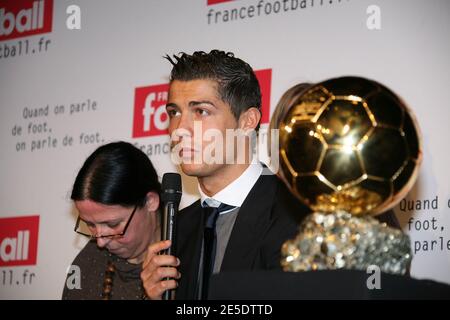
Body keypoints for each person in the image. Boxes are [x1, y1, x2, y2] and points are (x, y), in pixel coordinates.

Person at [140, 50, 310, 300]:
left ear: (247, 121)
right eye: (174, 112)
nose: (179, 129)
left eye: (201, 112)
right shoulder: (177, 228)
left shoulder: (297, 215)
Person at [62, 141, 161, 300]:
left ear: (150, 202)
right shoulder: (86, 267)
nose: (100, 242)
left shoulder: (191, 254)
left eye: (113, 224)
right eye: (90, 225)